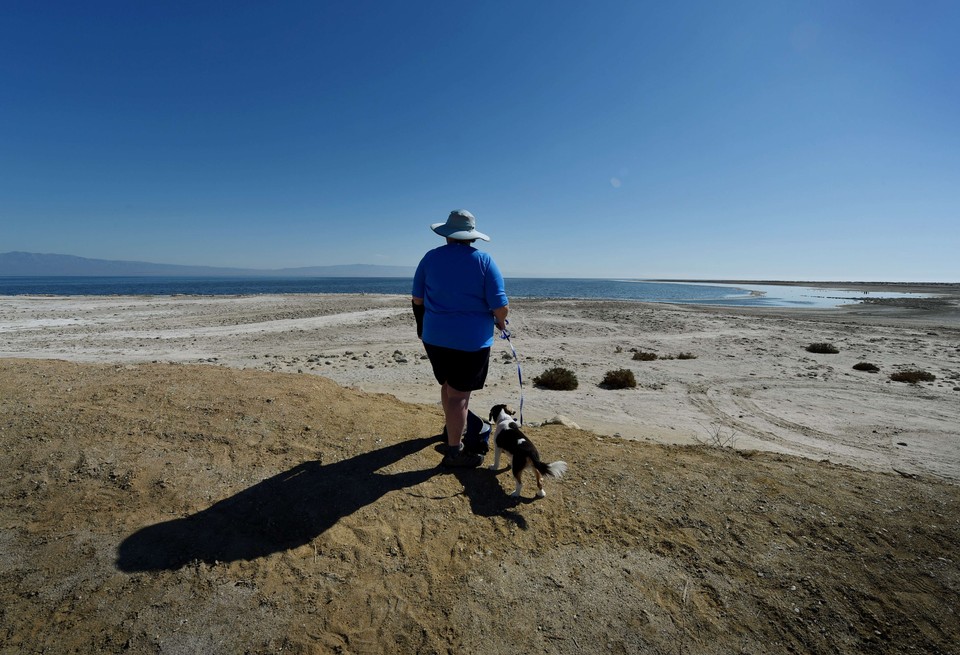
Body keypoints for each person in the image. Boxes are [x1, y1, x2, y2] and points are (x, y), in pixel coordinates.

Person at [412, 210, 509, 467]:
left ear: (447, 235)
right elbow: (501, 307)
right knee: (459, 396)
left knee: (447, 386)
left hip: (434, 338)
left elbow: (417, 300)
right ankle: (455, 450)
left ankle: (451, 430)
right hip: (471, 342)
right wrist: (500, 322)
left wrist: (422, 327)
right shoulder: (484, 261)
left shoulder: (430, 258)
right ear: (472, 237)